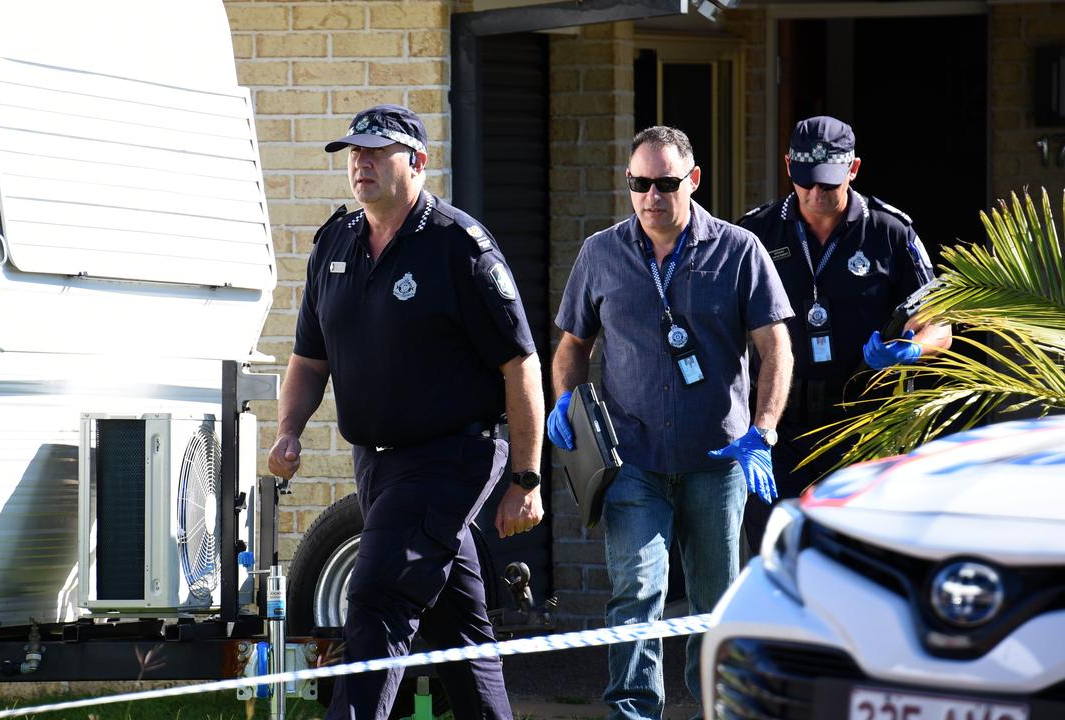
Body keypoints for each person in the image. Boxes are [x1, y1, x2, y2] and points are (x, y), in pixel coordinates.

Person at [266, 104, 545, 720]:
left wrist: (525, 478)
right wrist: (289, 431)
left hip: (450, 458)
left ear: (417, 162)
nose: (359, 162)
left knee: (375, 601)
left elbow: (520, 365)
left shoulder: (460, 247)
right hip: (376, 464)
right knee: (461, 635)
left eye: (375, 151)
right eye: (352, 153)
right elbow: (309, 361)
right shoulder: (334, 244)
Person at [546, 126, 793, 720]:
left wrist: (764, 431)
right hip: (632, 458)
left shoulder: (739, 250)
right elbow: (572, 345)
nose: (652, 196)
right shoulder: (601, 253)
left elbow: (776, 348)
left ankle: (716, 707)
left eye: (664, 183)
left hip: (718, 459)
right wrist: (569, 402)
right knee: (636, 591)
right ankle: (632, 711)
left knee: (714, 600)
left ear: (693, 181)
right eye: (639, 183)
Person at [736, 115, 952, 551]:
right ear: (788, 168)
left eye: (829, 184)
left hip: (861, 424)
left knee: (860, 557)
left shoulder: (889, 231)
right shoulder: (755, 232)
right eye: (806, 182)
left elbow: (940, 325)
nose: (815, 194)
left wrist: (909, 350)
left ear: (853, 169)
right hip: (780, 427)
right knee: (779, 556)